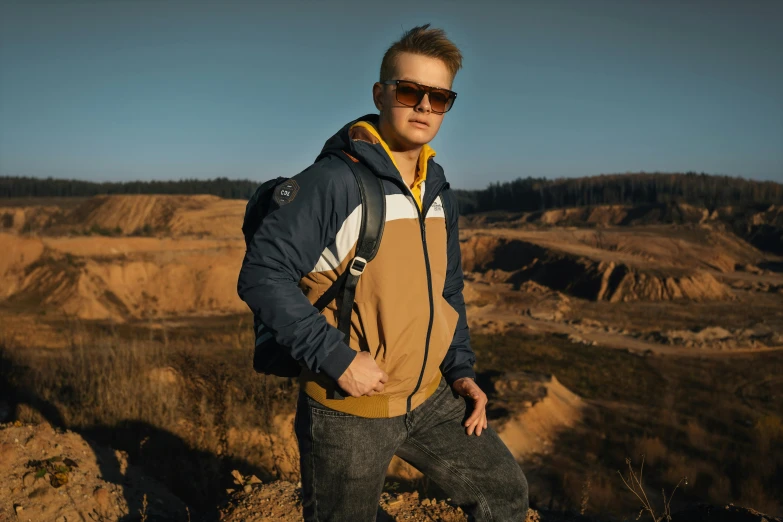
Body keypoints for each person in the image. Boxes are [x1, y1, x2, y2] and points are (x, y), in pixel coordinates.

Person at [237, 23, 528, 521]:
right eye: (410, 90)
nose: (423, 106)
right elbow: (263, 273)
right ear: (380, 93)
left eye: (439, 97)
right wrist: (336, 357)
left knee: (504, 494)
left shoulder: (437, 190)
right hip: (350, 407)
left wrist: (459, 370)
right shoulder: (334, 182)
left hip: (430, 396)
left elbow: (448, 288)